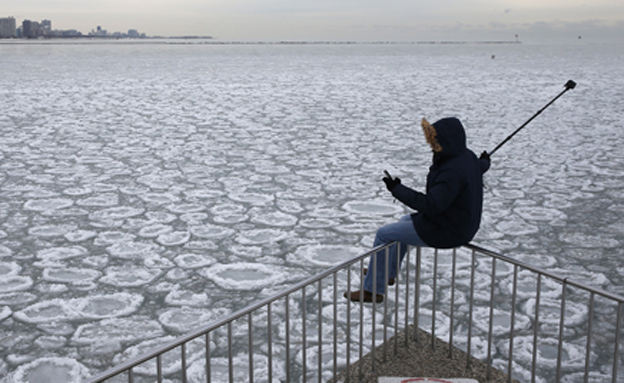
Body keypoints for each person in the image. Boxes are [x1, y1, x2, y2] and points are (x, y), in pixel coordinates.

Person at [344, 117, 491, 303]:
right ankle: (385, 273)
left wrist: (396, 189)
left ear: (447, 141)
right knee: (405, 221)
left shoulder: (451, 171)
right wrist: (485, 162)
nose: (433, 146)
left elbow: (430, 205)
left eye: (436, 141)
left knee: (384, 234)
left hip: (449, 230)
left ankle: (372, 291)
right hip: (458, 223)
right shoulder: (467, 157)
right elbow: (479, 167)